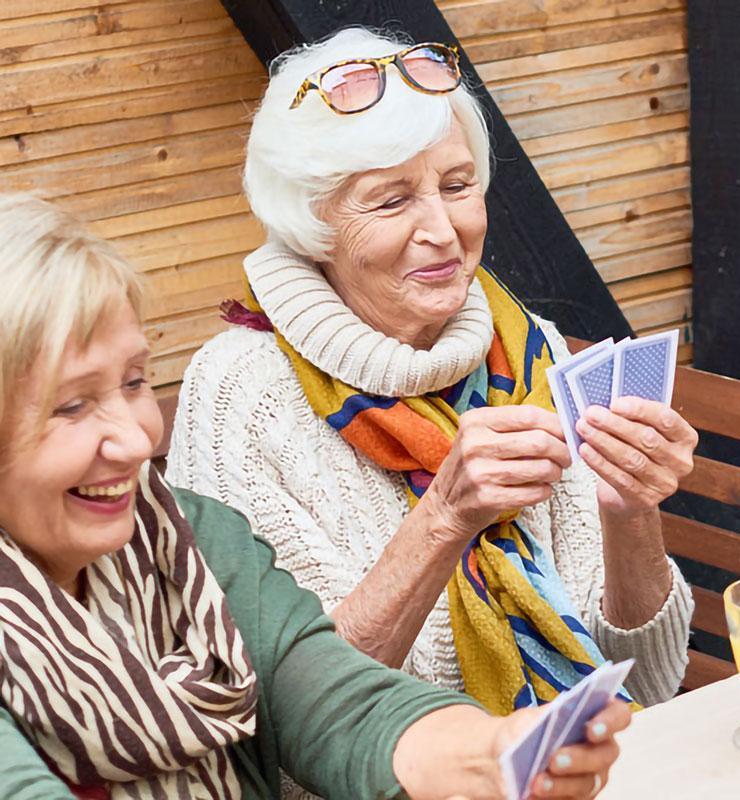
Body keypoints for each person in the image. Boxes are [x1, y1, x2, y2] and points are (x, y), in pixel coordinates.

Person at [0, 193, 630, 800]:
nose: (138, 439)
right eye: (74, 405)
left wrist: (496, 753)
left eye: (135, 382)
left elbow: (326, 694)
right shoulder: (247, 390)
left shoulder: (188, 536)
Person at [169, 25, 695, 730]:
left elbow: (652, 679)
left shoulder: (526, 345)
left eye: (456, 186)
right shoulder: (241, 392)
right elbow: (295, 724)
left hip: (586, 756)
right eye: (391, 201)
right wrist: (445, 517)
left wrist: (631, 513)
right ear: (311, 223)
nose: (443, 230)